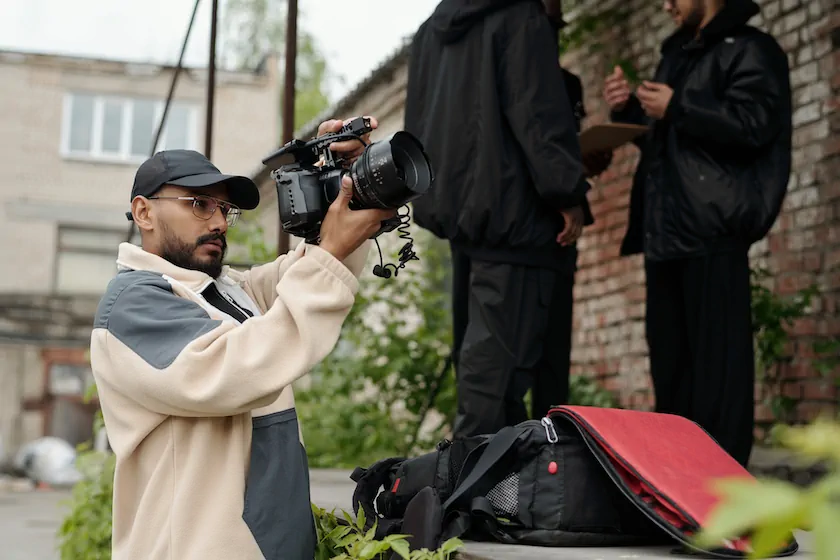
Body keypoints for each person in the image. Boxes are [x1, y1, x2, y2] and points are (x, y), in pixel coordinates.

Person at [89, 117, 395, 560]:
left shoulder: (226, 292)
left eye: (222, 209)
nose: (218, 222)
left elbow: (317, 273)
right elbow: (239, 367)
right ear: (144, 212)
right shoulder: (134, 304)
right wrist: (328, 251)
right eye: (199, 204)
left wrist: (351, 181)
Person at [404, 0, 607, 440]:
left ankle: (482, 493)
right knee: (502, 381)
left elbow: (418, 125)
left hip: (465, 220)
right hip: (517, 221)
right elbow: (537, 115)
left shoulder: (431, 32)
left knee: (479, 372)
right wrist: (567, 193)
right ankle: (481, 498)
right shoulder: (519, 18)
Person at [602, 0, 792, 467]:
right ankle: (677, 489)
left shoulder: (752, 49)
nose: (665, 5)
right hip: (664, 236)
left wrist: (679, 105)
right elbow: (668, 138)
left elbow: (755, 126)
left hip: (714, 233)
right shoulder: (676, 54)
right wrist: (628, 108)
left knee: (719, 378)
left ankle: (725, 496)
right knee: (672, 375)